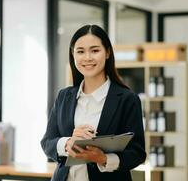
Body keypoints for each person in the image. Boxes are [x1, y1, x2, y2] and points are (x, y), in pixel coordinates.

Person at [41, 24, 146, 181]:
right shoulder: (64, 96)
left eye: (95, 50)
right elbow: (47, 142)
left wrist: (103, 159)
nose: (87, 57)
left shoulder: (127, 99)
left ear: (107, 53)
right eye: (80, 51)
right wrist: (67, 143)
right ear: (73, 55)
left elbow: (137, 153)